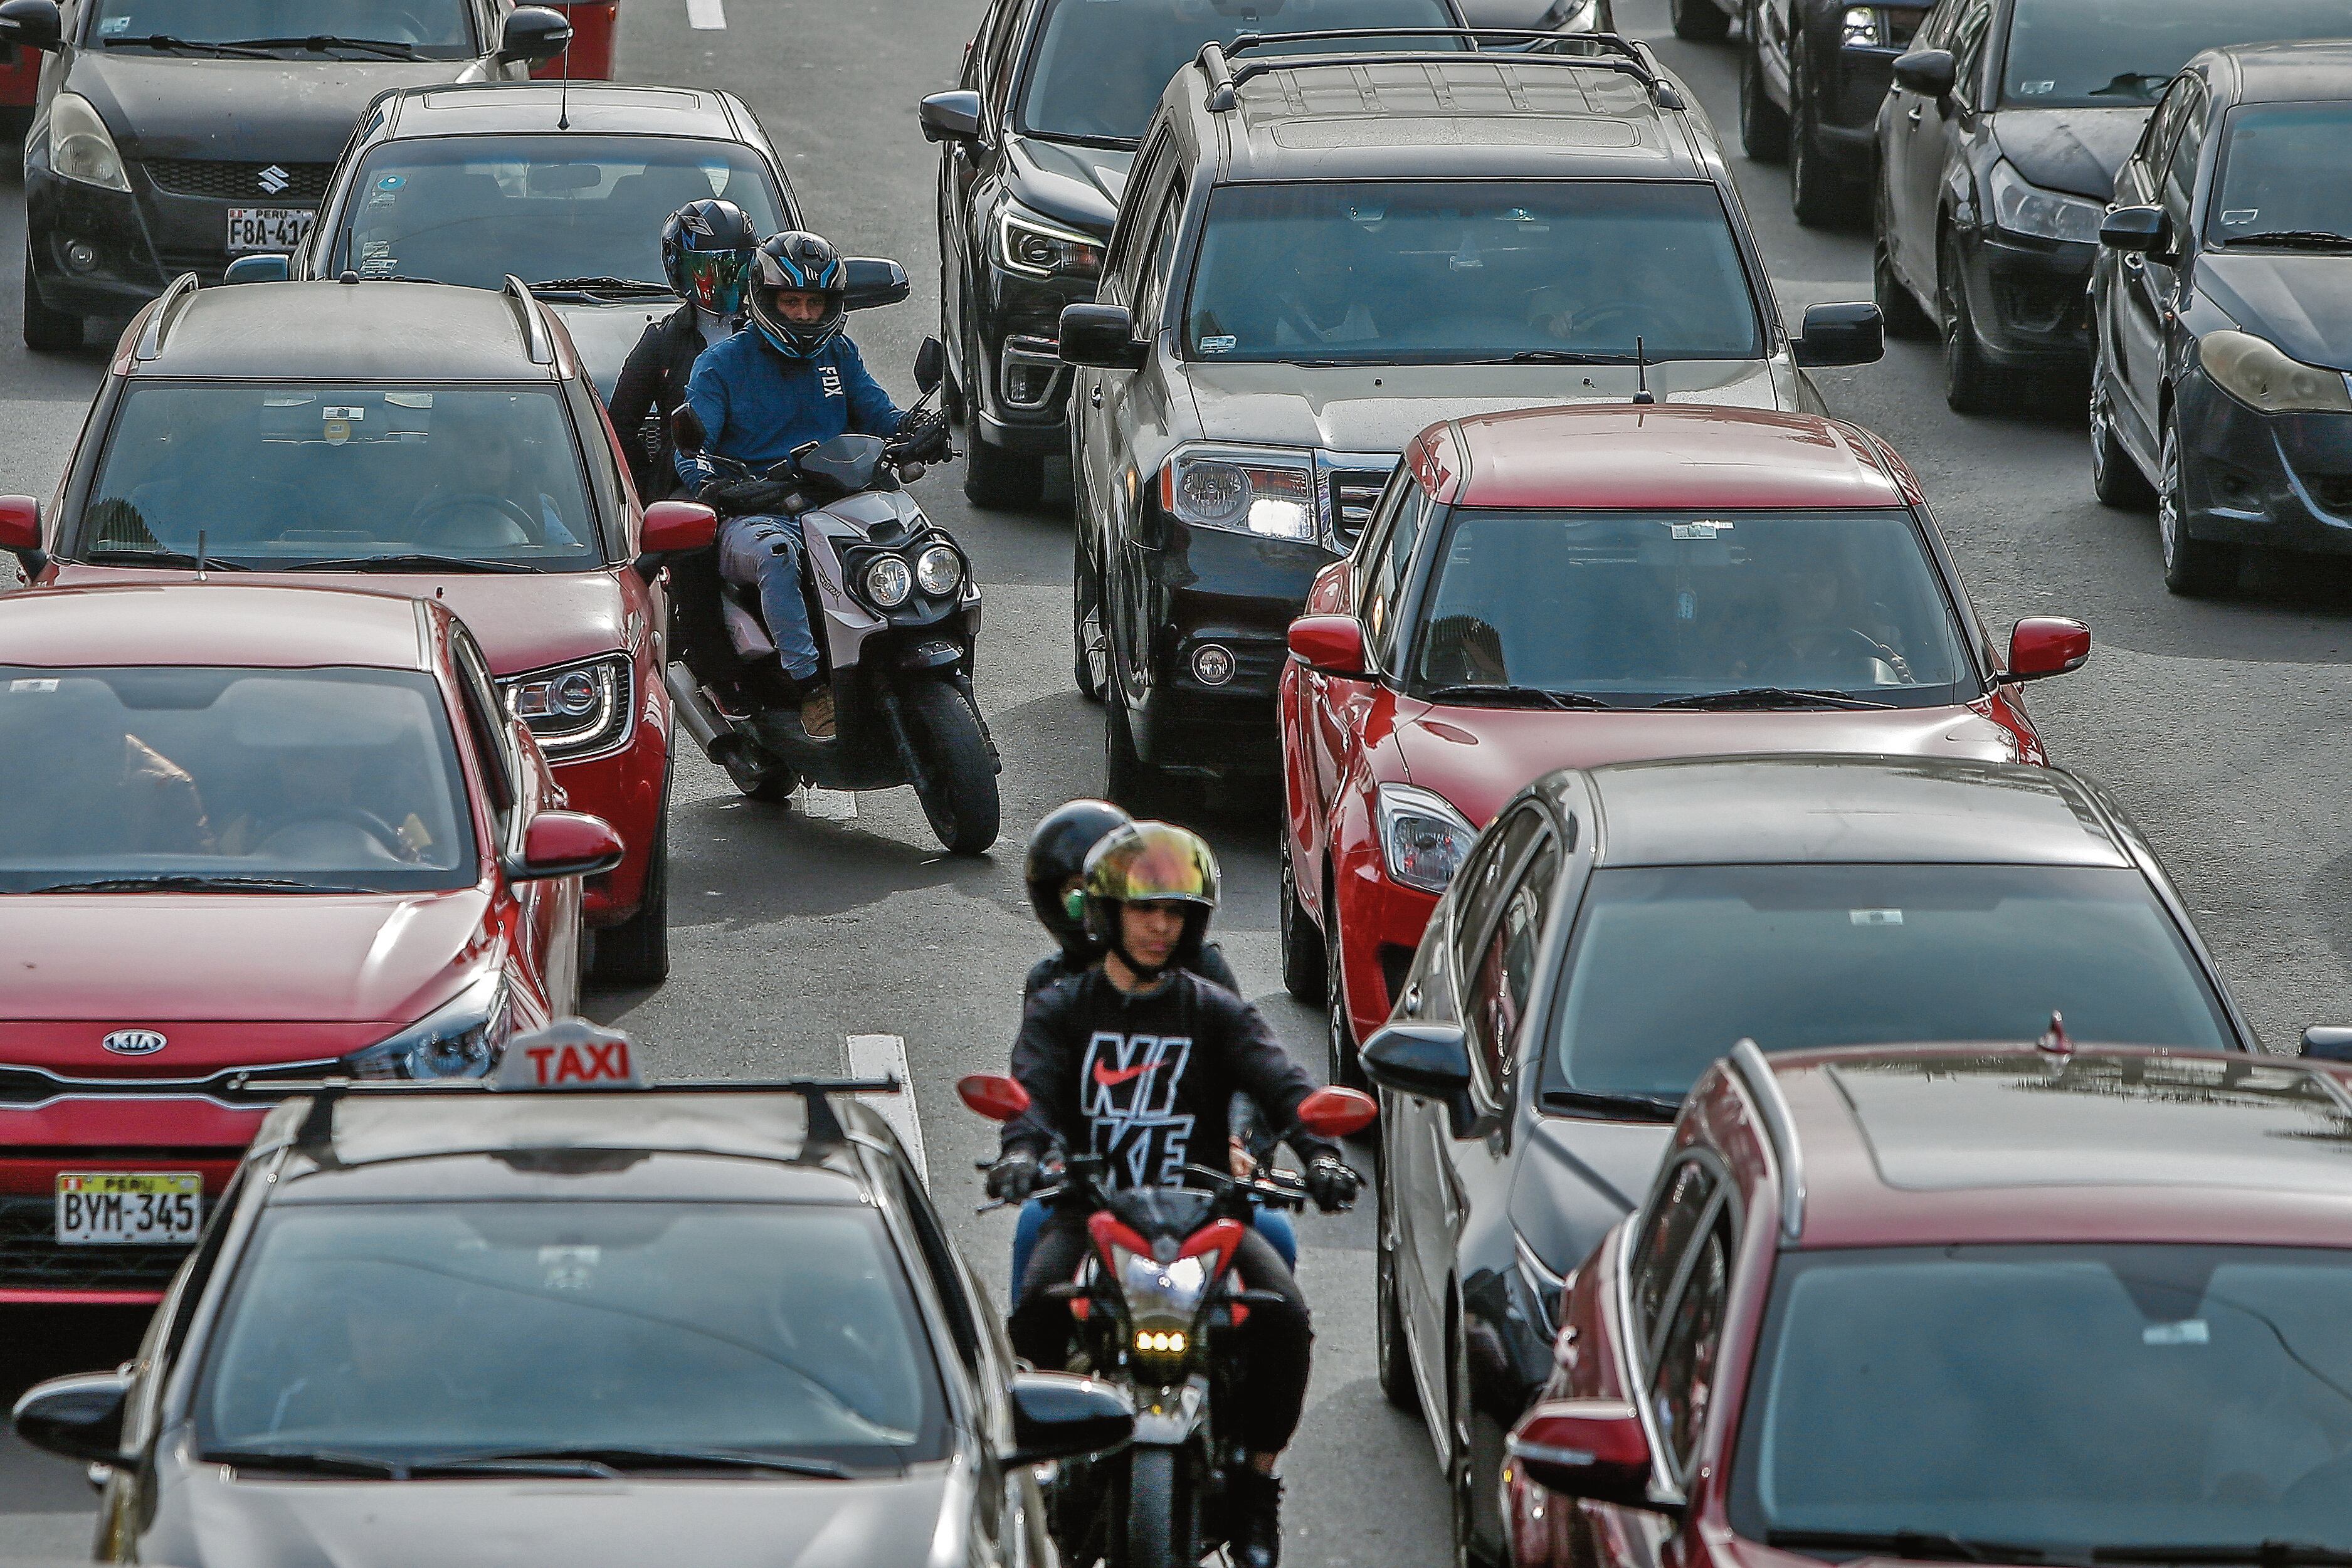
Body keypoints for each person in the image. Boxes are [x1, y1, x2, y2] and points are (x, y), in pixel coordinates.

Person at [988, 821, 1359, 1568]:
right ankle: (1054, 1465)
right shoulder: (1063, 1007)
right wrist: (1023, 1152)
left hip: (1201, 1214)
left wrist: (1319, 1155)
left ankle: (1256, 1489)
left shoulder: (1212, 1007)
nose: (1161, 926)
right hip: (1093, 1210)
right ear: (1105, 914)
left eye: (1176, 912)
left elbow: (1281, 1082)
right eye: (1145, 909)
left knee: (1283, 1318)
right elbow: (1030, 1091)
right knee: (1031, 1311)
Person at [674, 230, 950, 739]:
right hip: (757, 513)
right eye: (792, 301)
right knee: (777, 553)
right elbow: (691, 448)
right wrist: (713, 485)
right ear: (764, 298)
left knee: (916, 536)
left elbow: (880, 414)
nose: (803, 314)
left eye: (814, 303)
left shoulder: (838, 354)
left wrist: (916, 432)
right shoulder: (721, 364)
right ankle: (809, 689)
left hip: (838, 502)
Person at [1009, 800, 1294, 1289]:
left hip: (1196, 1185)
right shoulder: (1054, 992)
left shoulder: (1202, 978)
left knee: (1276, 1237)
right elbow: (1039, 1087)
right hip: (1094, 1189)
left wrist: (1238, 1141)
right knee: (1034, 1236)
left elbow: (1252, 1069)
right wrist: (1034, 1155)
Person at [611, 199, 758, 505]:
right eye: (710, 270)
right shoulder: (662, 343)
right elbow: (618, 431)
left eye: (737, 268)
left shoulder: (773, 336)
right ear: (681, 270)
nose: (726, 282)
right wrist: (652, 481)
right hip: (688, 496)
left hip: (763, 483)